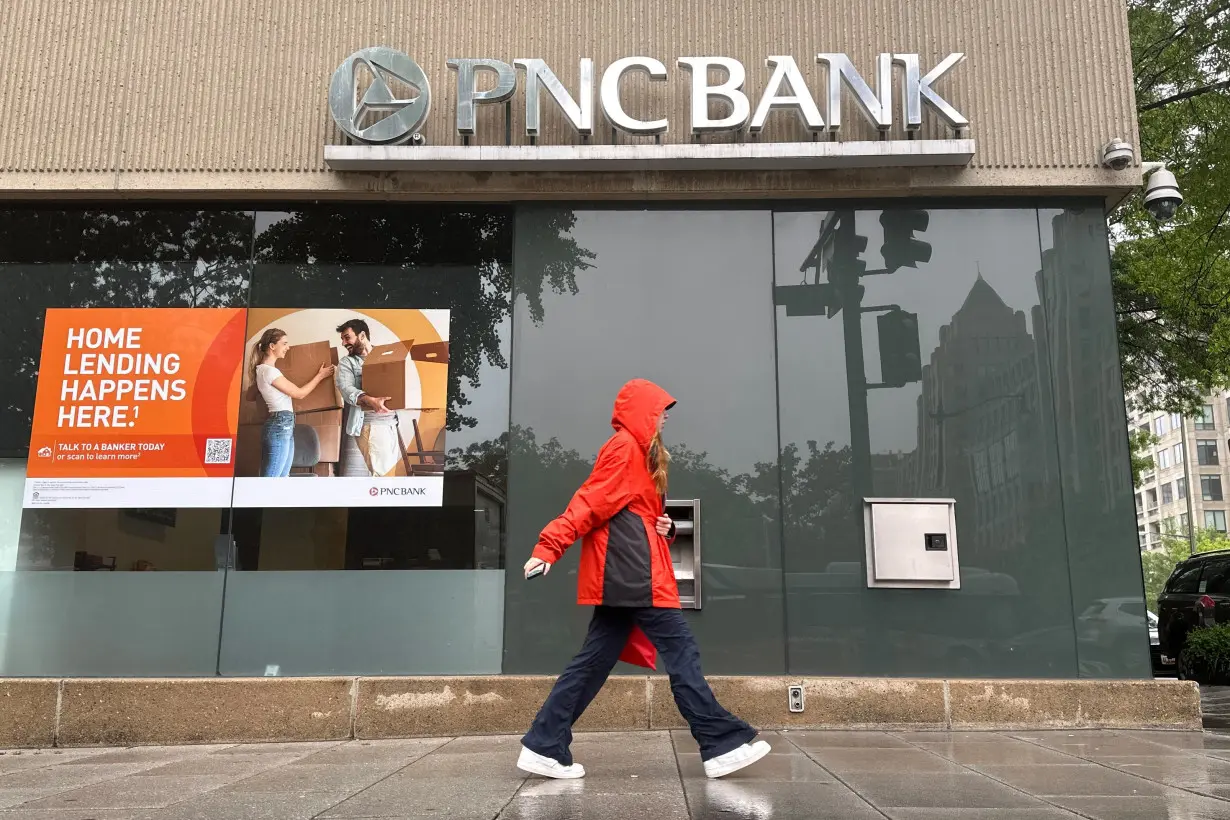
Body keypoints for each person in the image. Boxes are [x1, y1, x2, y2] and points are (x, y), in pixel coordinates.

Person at [518, 378, 771, 780]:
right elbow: (591, 501)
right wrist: (549, 545)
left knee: (592, 663)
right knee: (682, 652)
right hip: (634, 576)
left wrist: (666, 527)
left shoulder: (641, 454)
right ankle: (721, 742)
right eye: (660, 409)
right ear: (642, 412)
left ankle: (544, 744)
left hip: (632, 572)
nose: (666, 416)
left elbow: (637, 514)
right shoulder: (624, 449)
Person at [249, 328, 334, 477]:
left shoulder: (263, 371)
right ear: (272, 346)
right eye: (284, 343)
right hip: (280, 424)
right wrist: (320, 376)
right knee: (273, 479)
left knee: (282, 477)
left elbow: (249, 396)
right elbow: (299, 394)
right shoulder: (269, 372)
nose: (288, 347)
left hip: (284, 423)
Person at [334, 318, 404, 477]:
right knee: (382, 475)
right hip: (370, 423)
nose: (344, 343)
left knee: (388, 473)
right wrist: (369, 400)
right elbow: (346, 389)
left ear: (362, 335)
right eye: (343, 339)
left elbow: (402, 383)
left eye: (347, 337)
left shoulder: (387, 356)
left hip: (391, 422)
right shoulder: (347, 363)